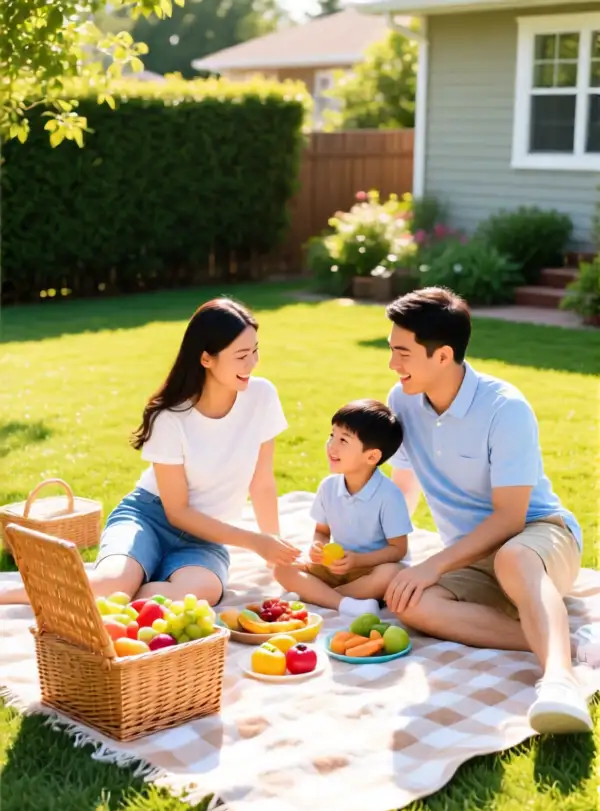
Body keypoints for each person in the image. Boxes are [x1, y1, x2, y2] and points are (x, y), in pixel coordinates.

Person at [383, 286, 592, 735]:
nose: (392, 364)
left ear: (443, 356)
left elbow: (511, 519)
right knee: (411, 604)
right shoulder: (402, 401)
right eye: (391, 350)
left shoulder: (505, 408)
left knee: (512, 557)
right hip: (474, 555)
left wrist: (432, 565)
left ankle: (560, 682)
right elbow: (404, 485)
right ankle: (567, 642)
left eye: (402, 353)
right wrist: (379, 551)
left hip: (539, 534)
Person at [1, 298, 300, 606]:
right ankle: (13, 594)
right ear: (206, 358)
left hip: (206, 538)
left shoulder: (262, 396)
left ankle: (126, 588)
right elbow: (177, 512)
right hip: (148, 519)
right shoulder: (170, 417)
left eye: (255, 351)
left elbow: (262, 482)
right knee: (113, 585)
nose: (252, 363)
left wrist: (274, 549)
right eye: (241, 356)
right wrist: (253, 541)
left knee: (197, 594)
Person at [274, 399, 412, 615]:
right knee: (282, 568)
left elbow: (398, 550)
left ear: (372, 456)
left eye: (343, 440)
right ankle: (344, 602)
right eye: (332, 435)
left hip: (370, 570)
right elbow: (322, 531)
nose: (332, 445)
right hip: (334, 567)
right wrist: (318, 547)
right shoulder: (328, 487)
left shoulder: (389, 495)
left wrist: (357, 560)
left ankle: (322, 597)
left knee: (393, 574)